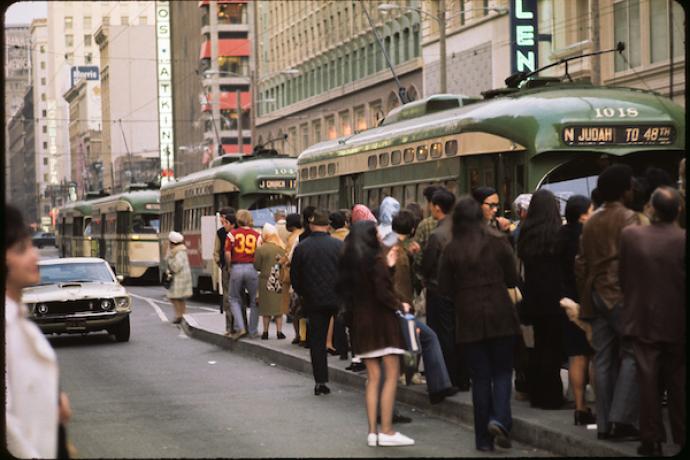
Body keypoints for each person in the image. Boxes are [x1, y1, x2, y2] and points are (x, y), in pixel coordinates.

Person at [439, 196, 521, 452]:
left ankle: (483, 440)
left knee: (481, 378)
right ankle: (499, 419)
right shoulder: (498, 241)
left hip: (469, 318)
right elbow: (512, 278)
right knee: (503, 372)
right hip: (500, 314)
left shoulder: (452, 249)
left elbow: (444, 288)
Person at [575, 164, 641, 441]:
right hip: (620, 294)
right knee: (635, 352)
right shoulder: (630, 219)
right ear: (626, 190)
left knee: (602, 358)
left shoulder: (591, 220)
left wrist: (585, 297)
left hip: (594, 293)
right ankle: (622, 419)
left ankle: (603, 424)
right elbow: (635, 261)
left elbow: (580, 263)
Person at [619, 187, 686, 456]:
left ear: (653, 209)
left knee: (648, 381)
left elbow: (624, 276)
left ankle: (651, 438)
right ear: (678, 210)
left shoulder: (631, 236)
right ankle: (682, 439)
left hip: (643, 318)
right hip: (678, 320)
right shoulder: (682, 239)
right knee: (679, 382)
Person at [336, 220, 415, 447]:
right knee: (391, 376)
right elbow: (382, 292)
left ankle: (372, 432)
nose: (381, 237)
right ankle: (387, 431)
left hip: (362, 326)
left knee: (372, 379)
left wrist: (388, 267)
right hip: (382, 325)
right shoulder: (375, 260)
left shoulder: (351, 264)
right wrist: (402, 305)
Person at [5, 205, 72, 458]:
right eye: (22, 250)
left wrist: (52, 401)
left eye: (32, 246)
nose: (35, 256)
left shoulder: (21, 320)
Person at [392, 210, 459, 404]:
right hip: (401, 306)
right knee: (421, 340)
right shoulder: (397, 249)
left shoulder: (391, 246)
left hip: (399, 306)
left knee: (414, 342)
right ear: (413, 229)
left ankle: (410, 375)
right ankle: (418, 377)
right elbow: (410, 279)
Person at [517, 189, 567, 410]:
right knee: (553, 347)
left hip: (533, 297)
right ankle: (552, 396)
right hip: (556, 297)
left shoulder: (526, 233)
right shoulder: (559, 233)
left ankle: (536, 392)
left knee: (537, 346)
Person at [290, 209, 344, 395]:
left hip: (313, 300)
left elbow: (295, 278)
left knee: (317, 341)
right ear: (327, 225)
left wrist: (305, 294)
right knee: (340, 329)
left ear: (312, 225)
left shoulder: (302, 247)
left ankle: (321, 381)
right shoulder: (338, 246)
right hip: (336, 298)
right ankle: (346, 353)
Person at [421, 189, 469, 390]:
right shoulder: (463, 230)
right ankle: (464, 377)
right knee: (461, 333)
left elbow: (427, 265)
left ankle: (448, 378)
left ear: (437, 207)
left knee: (443, 335)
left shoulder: (437, 234)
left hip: (439, 289)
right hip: (462, 289)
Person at [557, 195, 596, 425]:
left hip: (566, 302)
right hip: (586, 301)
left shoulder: (559, 236)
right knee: (595, 355)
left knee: (576, 356)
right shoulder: (587, 236)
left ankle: (580, 406)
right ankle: (600, 405)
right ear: (583, 214)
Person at [225, 210, 261, 340]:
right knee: (254, 300)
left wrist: (229, 266)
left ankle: (240, 327)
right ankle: (253, 330)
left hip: (237, 266)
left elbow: (228, 253)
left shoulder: (232, 235)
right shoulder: (257, 235)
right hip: (252, 268)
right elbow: (259, 253)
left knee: (234, 298)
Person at [254, 223, 288, 340]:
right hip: (278, 279)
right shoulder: (281, 248)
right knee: (278, 307)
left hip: (265, 280)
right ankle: (279, 331)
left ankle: (265, 331)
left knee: (266, 307)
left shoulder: (261, 249)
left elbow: (257, 266)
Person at [281, 213, 304, 344]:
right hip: (301, 276)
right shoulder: (303, 234)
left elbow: (289, 257)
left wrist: (281, 261)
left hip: (292, 276)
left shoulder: (293, 238)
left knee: (295, 309)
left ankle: (299, 335)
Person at [214, 208, 236, 334]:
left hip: (228, 268)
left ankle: (229, 327)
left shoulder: (221, 233)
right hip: (241, 266)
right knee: (239, 297)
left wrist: (221, 264)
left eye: (222, 218)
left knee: (228, 297)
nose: (222, 221)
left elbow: (217, 251)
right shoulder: (241, 231)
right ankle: (241, 325)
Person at [166, 231, 193, 324]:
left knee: (176, 298)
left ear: (172, 242)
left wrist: (170, 261)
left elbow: (176, 266)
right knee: (178, 298)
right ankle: (181, 315)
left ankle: (180, 315)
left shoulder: (178, 252)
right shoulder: (178, 250)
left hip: (179, 278)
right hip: (180, 277)